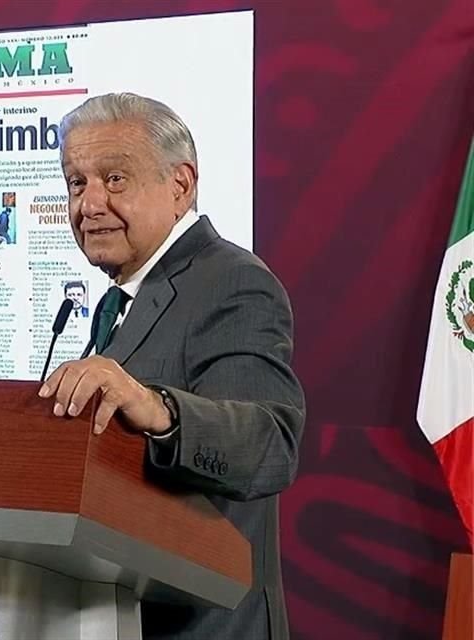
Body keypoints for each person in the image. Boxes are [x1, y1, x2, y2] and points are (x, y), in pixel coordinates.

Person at [39, 92, 305, 640]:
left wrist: (158, 410)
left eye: (114, 179)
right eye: (76, 183)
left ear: (180, 186)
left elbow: (269, 445)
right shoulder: (121, 297)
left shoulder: (232, 281)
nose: (89, 204)